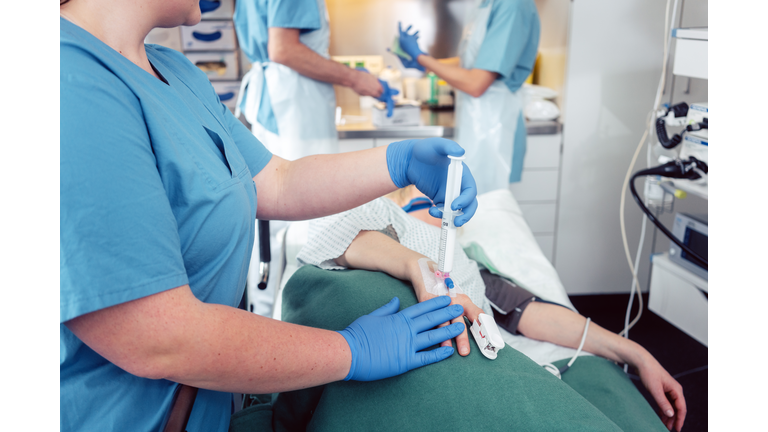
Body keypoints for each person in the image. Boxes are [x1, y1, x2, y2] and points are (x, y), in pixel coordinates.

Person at [59, 1, 480, 431]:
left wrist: (398, 162)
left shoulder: (170, 69)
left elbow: (277, 180)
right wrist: (350, 351)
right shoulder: (67, 87)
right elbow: (158, 339)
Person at [296, 185, 686, 432]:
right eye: (419, 197)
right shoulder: (381, 219)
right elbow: (334, 233)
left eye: (440, 205)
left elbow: (528, 313)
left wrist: (637, 353)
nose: (435, 209)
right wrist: (420, 269)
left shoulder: (470, 266)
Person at [393, 0, 540, 194]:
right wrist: (426, 64)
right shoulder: (485, 4)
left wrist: (422, 57)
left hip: (495, 127)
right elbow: (472, 64)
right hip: (477, 122)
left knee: (486, 206)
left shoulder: (511, 4)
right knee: (471, 204)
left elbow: (476, 83)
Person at [232, 0, 398, 160]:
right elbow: (283, 50)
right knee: (307, 181)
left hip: (272, 101)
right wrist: (355, 79)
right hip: (295, 107)